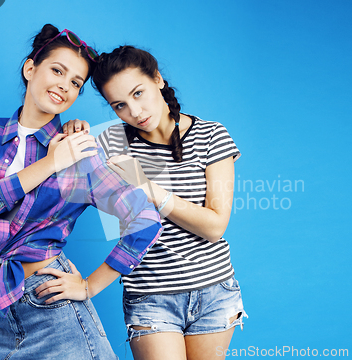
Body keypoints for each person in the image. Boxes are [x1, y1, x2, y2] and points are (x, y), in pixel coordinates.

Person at [0, 26, 162, 360]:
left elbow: (145, 218)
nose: (65, 85)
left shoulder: (79, 154)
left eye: (76, 82)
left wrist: (90, 286)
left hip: (52, 310)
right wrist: (50, 163)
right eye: (57, 70)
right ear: (30, 68)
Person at [68, 45, 245, 360]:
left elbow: (215, 226)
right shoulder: (111, 142)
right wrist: (71, 131)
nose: (134, 112)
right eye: (119, 105)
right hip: (149, 295)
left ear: (158, 80)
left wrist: (149, 188)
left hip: (214, 290)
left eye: (138, 94)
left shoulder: (211, 135)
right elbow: (66, 182)